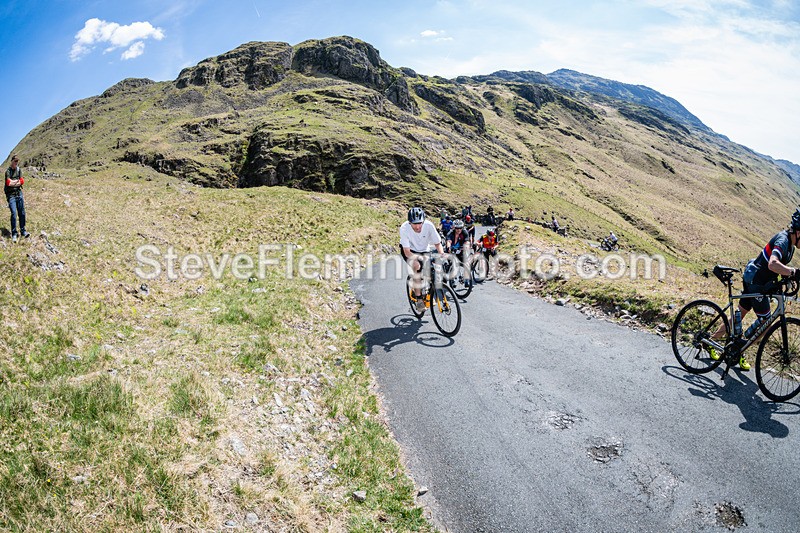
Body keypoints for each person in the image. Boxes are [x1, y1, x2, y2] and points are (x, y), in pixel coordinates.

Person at [709, 209, 800, 370]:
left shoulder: (791, 247)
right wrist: (793, 272)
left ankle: (715, 341)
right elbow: (772, 264)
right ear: (798, 232)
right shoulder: (783, 241)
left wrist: (789, 278)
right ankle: (740, 348)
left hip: (756, 279)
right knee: (766, 322)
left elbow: (779, 268)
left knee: (740, 314)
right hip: (757, 282)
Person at [400, 207, 445, 312]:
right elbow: (407, 252)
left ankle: (428, 293)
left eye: (420, 223)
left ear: (423, 221)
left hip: (424, 249)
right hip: (410, 250)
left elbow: (437, 243)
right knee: (417, 266)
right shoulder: (404, 228)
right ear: (409, 223)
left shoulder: (429, 225)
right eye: (414, 224)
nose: (417, 226)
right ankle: (419, 299)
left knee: (430, 270)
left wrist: (442, 254)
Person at [5, 155, 29, 243]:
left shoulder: (19, 170)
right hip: (11, 195)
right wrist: (16, 182)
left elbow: (22, 181)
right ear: (11, 161)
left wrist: (14, 182)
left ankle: (23, 231)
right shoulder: (8, 171)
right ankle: (14, 233)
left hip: (19, 193)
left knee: (22, 212)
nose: (16, 163)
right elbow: (9, 183)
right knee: (14, 213)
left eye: (17, 161)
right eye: (15, 161)